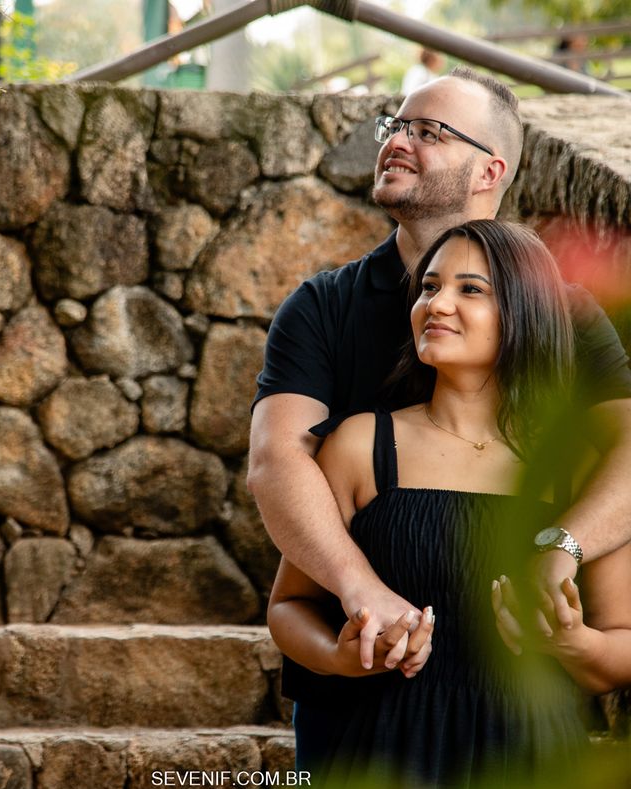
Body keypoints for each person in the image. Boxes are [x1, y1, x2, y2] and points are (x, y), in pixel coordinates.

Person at [247, 66, 631, 674]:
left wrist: (563, 549)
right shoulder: (323, 306)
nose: (395, 142)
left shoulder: (567, 314)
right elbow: (275, 462)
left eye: (428, 131)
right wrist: (361, 591)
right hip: (356, 682)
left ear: (489, 170)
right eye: (395, 126)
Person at [267, 219, 631, 789]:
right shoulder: (363, 444)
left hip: (535, 761)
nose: (435, 304)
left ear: (525, 313)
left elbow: (623, 644)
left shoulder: (576, 466)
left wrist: (572, 644)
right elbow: (289, 607)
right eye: (430, 287)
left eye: (470, 289)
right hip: (384, 758)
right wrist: (339, 658)